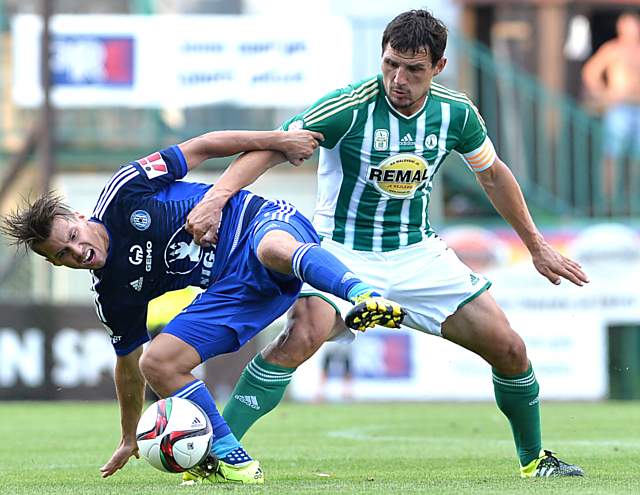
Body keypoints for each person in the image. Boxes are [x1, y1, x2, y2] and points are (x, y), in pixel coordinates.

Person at [185, 10, 590, 479]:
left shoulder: (456, 113)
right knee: (300, 337)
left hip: (418, 253)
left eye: (414, 69)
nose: (398, 79)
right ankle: (216, 458)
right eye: (390, 64)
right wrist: (216, 199)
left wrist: (536, 244)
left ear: (438, 67)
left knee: (511, 349)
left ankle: (535, 460)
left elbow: (494, 175)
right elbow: (270, 146)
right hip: (338, 248)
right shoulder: (349, 106)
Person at [0, 129, 406, 484]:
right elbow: (127, 365)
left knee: (272, 248)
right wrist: (128, 437)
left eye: (73, 235)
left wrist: (276, 142)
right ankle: (231, 460)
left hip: (255, 221)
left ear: (79, 215)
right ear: (55, 263)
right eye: (65, 254)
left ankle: (362, 296)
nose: (79, 251)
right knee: (156, 363)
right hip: (233, 288)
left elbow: (204, 146)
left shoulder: (125, 190)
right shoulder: (112, 294)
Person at [582, 11, 640, 204]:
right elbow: (590, 71)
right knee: (612, 154)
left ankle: (632, 198)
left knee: (636, 157)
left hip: (638, 107)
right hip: (619, 108)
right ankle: (608, 201)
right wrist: (603, 93)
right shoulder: (613, 49)